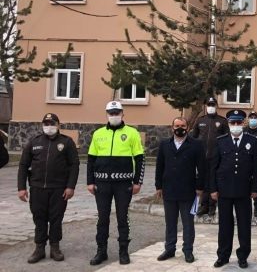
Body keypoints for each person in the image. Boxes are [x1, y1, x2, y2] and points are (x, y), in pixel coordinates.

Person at [87, 101, 145, 266]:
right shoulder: (98, 133)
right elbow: (91, 159)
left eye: (117, 113)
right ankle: (101, 251)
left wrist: (137, 182)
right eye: (111, 113)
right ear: (106, 114)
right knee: (102, 218)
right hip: (102, 183)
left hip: (123, 183)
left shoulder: (132, 133)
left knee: (122, 218)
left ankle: (123, 252)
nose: (114, 116)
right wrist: (90, 181)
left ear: (122, 114)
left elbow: (140, 158)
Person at [17, 113, 79, 263]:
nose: (49, 126)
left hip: (58, 189)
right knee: (39, 219)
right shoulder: (34, 142)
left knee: (56, 219)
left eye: (52, 123)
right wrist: (21, 187)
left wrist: (70, 186)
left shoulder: (67, 142)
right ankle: (39, 248)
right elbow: (23, 165)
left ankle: (55, 247)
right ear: (42, 125)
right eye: (46, 123)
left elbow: (74, 165)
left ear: (58, 125)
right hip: (37, 188)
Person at [211, 110, 257, 268]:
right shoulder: (220, 141)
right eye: (233, 123)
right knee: (224, 226)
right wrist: (213, 189)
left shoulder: (252, 140)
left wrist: (256, 188)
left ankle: (243, 256)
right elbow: (213, 167)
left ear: (243, 123)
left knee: (244, 225)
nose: (235, 126)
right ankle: (223, 255)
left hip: (244, 190)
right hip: (224, 190)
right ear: (228, 124)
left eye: (238, 123)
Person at [154, 116, 207, 264]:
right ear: (172, 128)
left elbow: (202, 168)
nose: (179, 128)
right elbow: (160, 166)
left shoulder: (196, 145)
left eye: (182, 126)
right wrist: (158, 186)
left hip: (188, 191)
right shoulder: (165, 144)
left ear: (187, 128)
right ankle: (169, 249)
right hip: (169, 190)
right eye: (177, 126)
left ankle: (188, 250)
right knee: (170, 222)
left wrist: (200, 187)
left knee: (188, 223)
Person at [191, 97, 228, 217]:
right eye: (209, 104)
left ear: (216, 106)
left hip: (216, 157)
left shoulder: (222, 121)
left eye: (212, 104)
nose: (210, 106)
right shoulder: (200, 120)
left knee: (214, 181)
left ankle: (212, 206)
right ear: (206, 106)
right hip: (202, 157)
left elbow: (226, 139)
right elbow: (194, 138)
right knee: (202, 181)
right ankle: (204, 205)